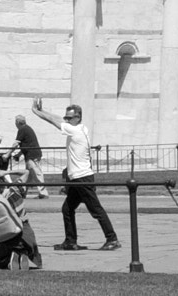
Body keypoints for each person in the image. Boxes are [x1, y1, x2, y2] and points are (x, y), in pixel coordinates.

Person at [31, 99, 118, 251]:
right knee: (67, 208)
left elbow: (53, 121)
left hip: (82, 178)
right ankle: (70, 241)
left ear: (78, 118)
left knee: (96, 210)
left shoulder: (75, 130)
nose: (66, 120)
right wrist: (44, 110)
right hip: (76, 178)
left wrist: (38, 112)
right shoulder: (82, 128)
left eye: (69, 118)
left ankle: (112, 239)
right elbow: (58, 119)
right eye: (66, 118)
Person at [0, 162, 43, 271]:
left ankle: (13, 255)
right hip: (24, 231)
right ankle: (22, 252)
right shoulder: (14, 190)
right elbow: (26, 172)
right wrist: (6, 172)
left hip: (6, 233)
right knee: (31, 249)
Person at [14, 113, 48, 197]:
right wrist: (18, 154)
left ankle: (43, 193)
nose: (15, 124)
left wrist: (7, 154)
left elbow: (16, 143)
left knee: (36, 173)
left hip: (32, 155)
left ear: (18, 122)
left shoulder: (22, 129)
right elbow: (26, 145)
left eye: (15, 122)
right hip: (33, 153)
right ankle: (23, 192)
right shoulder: (27, 128)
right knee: (28, 174)